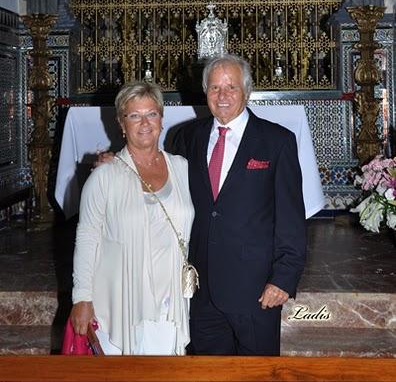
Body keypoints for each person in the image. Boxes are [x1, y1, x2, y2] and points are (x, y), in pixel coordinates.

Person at [172, 54, 306, 355]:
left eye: (231, 87)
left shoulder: (277, 141)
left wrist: (283, 279)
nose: (222, 96)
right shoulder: (187, 137)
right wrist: (114, 163)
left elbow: (291, 219)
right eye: (214, 88)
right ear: (205, 92)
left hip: (256, 291)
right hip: (201, 291)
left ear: (247, 91)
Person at [70, 81, 194, 355]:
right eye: (134, 115)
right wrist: (82, 298)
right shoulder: (104, 176)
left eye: (151, 113)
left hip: (170, 296)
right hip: (122, 296)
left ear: (161, 119)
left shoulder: (182, 168)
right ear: (121, 123)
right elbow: (87, 236)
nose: (145, 122)